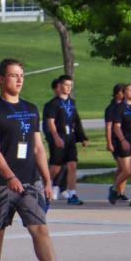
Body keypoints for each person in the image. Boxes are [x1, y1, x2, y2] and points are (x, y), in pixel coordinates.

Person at [0, 59, 82, 261]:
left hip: (30, 181)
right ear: (2, 79)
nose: (19, 80)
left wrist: (47, 179)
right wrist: (10, 176)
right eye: (14, 75)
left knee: (40, 229)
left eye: (21, 75)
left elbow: (37, 147)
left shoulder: (31, 108)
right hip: (1, 183)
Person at [43, 75, 88, 205]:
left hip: (70, 138)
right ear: (60, 86)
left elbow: (76, 120)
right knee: (56, 167)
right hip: (59, 136)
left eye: (71, 86)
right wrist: (55, 137)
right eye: (66, 85)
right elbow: (50, 122)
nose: (69, 88)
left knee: (72, 165)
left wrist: (82, 137)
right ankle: (43, 185)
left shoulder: (72, 102)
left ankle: (72, 193)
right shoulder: (53, 104)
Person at [104, 83, 128, 201]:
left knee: (122, 168)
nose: (124, 94)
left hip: (127, 140)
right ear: (117, 93)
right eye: (123, 92)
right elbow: (109, 126)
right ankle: (114, 189)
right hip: (116, 141)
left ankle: (120, 192)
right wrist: (109, 142)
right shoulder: (111, 108)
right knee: (125, 168)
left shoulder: (127, 106)